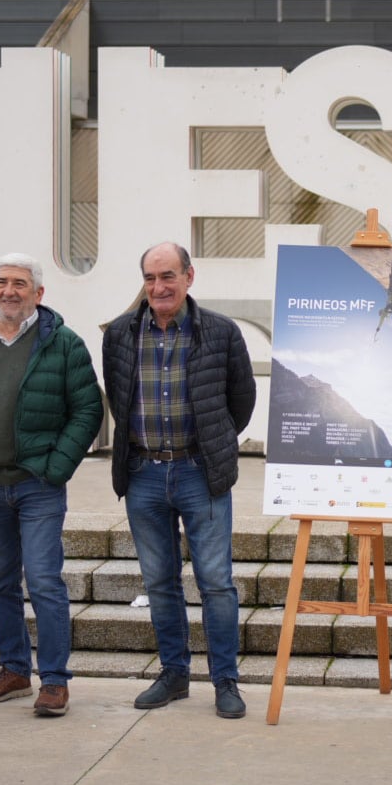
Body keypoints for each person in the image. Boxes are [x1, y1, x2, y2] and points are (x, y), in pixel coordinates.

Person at [0, 253, 103, 718]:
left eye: (20, 284)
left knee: (44, 581)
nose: (9, 291)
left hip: (37, 486)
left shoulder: (64, 343)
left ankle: (53, 680)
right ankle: (12, 670)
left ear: (39, 294)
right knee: (0, 583)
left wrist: (56, 467)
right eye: (3, 282)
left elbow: (89, 410)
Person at [102, 242, 257, 718]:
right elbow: (118, 397)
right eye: (150, 278)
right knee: (159, 582)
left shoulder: (221, 332)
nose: (158, 287)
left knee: (216, 583)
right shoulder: (121, 335)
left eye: (167, 276)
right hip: (144, 474)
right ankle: (174, 675)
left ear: (190, 276)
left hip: (199, 472)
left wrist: (213, 446)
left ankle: (226, 682)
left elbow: (242, 402)